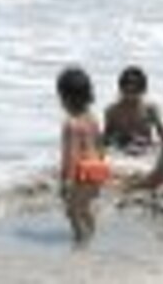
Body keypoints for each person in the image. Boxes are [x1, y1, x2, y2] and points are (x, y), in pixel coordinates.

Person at [57, 66, 109, 245]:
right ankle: (91, 235)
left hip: (80, 173)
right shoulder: (92, 117)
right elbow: (100, 146)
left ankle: (81, 240)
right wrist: (102, 169)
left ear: (64, 98)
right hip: (96, 169)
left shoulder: (71, 124)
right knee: (85, 208)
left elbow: (70, 155)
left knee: (72, 211)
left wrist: (66, 182)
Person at [103, 66, 163, 154]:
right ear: (120, 89)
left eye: (134, 92)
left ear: (143, 90)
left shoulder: (150, 110)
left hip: (145, 152)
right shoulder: (112, 111)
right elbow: (106, 140)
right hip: (121, 153)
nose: (130, 96)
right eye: (126, 91)